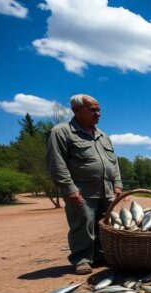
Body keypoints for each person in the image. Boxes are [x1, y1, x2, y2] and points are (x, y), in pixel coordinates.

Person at [45, 94, 123, 275]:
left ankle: (101, 256)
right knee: (83, 226)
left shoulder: (103, 135)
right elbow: (56, 163)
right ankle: (82, 259)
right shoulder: (61, 132)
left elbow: (114, 162)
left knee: (105, 225)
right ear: (76, 110)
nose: (98, 113)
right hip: (81, 190)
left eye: (99, 109)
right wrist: (68, 188)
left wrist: (117, 183)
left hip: (106, 189)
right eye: (93, 109)